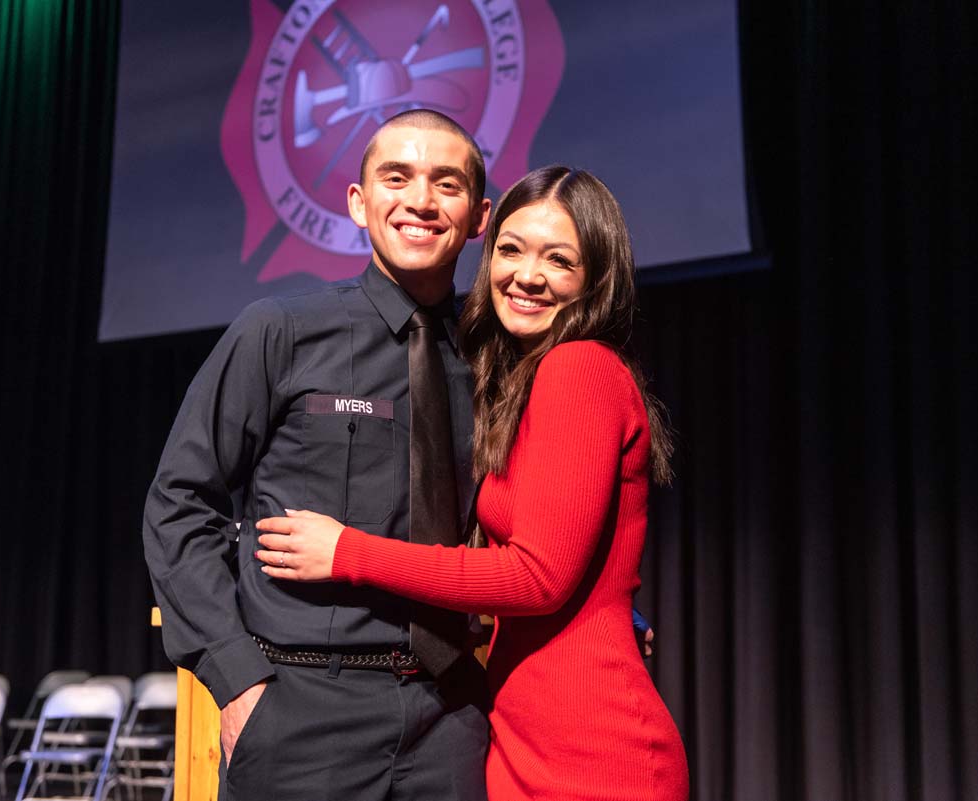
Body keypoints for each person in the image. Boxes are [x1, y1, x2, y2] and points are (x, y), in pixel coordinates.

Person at [255, 166, 691, 800]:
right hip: (524, 738)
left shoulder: (578, 368)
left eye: (559, 259)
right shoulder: (523, 377)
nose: (528, 274)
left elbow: (537, 576)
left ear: (597, 279)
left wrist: (348, 552)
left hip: (593, 753)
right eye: (511, 249)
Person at [142, 109, 493, 801]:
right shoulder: (281, 332)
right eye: (397, 177)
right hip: (302, 712)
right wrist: (237, 677)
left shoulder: (493, 365)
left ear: (479, 216)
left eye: (445, 183)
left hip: (451, 717)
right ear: (359, 203)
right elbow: (179, 503)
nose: (420, 200)